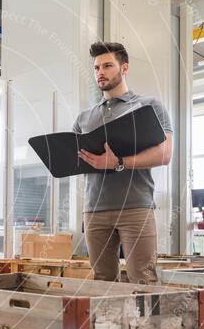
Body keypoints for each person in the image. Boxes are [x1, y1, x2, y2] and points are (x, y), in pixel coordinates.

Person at [73, 41, 173, 284]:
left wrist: (117, 162)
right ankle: (108, 324)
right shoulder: (84, 118)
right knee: (103, 281)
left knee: (143, 279)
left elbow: (164, 154)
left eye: (107, 65)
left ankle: (146, 324)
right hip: (94, 210)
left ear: (124, 68)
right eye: (96, 68)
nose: (100, 72)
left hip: (135, 207)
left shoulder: (148, 106)